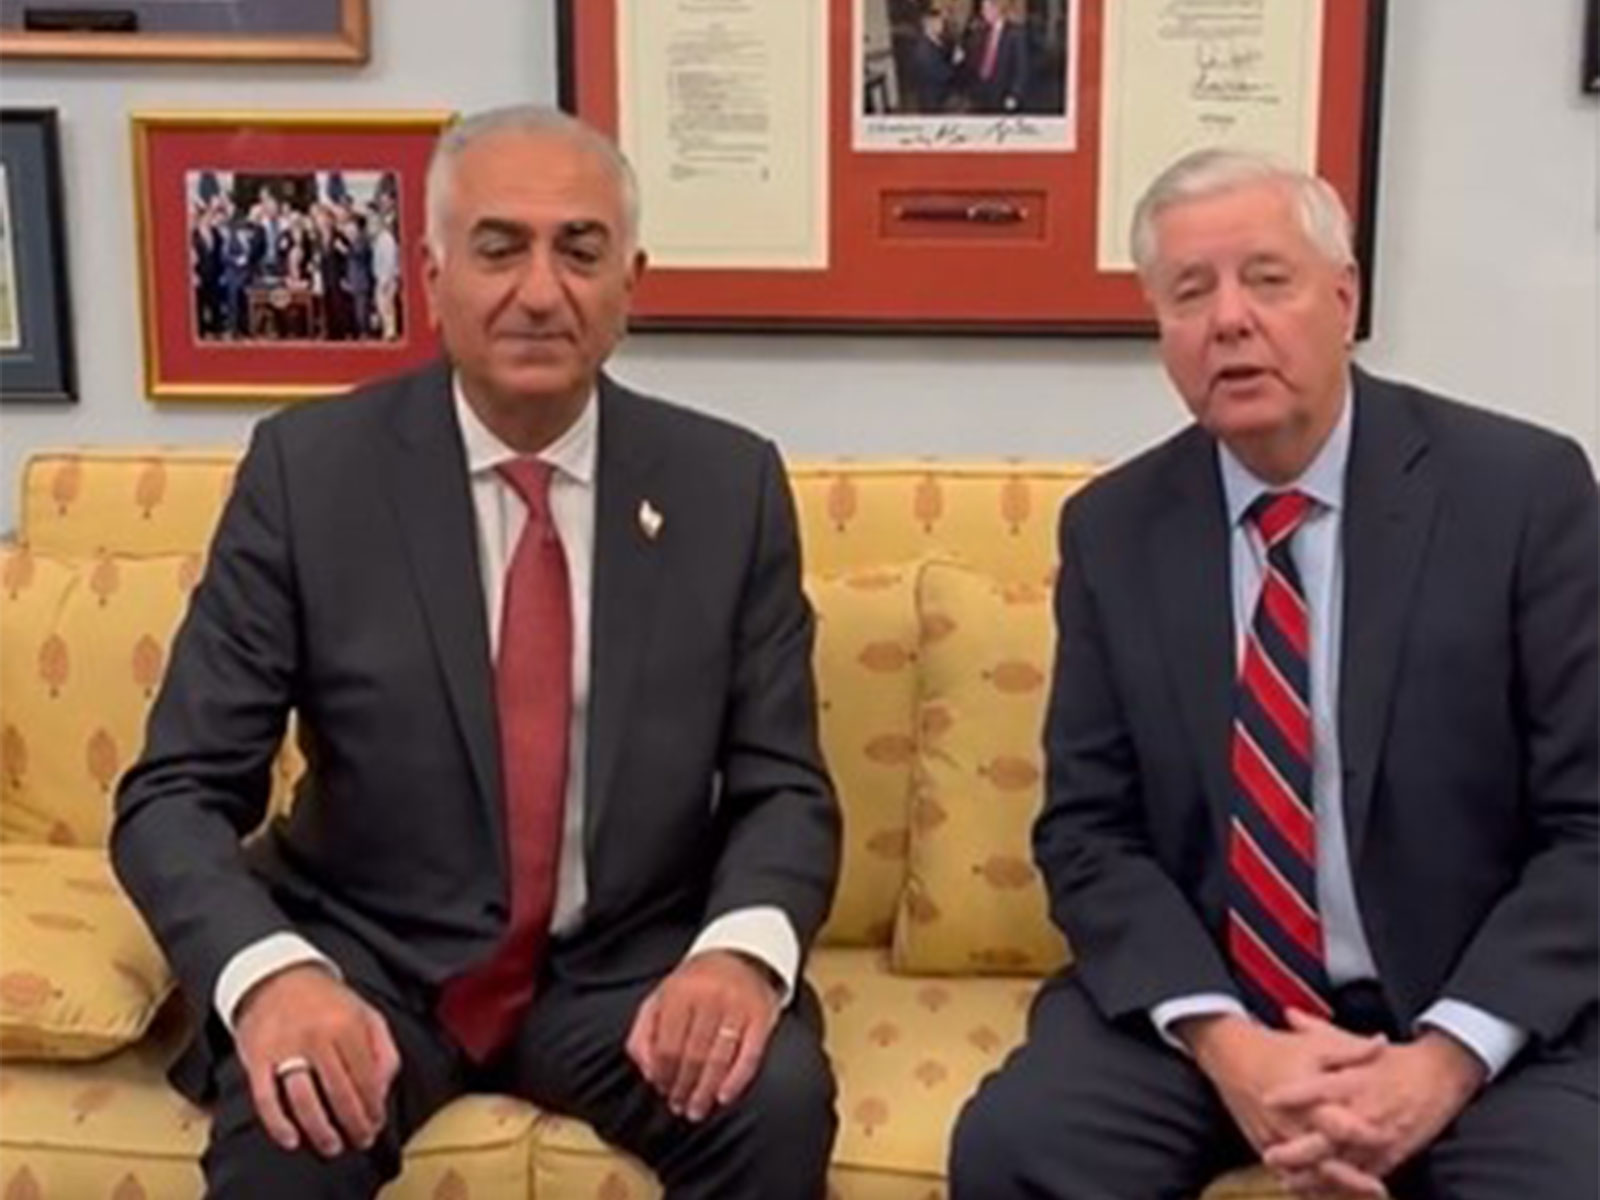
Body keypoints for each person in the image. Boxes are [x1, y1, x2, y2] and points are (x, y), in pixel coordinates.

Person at [111, 104, 841, 1200]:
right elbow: (173, 792)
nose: (540, 291)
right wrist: (270, 980)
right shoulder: (310, 475)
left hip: (629, 963)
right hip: (366, 958)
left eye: (580, 251)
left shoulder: (726, 487)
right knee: (289, 1134)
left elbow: (784, 787)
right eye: (500, 248)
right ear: (431, 272)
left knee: (775, 1100)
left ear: (629, 282)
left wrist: (736, 954)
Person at [949, 147, 1598, 1199]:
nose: (1228, 321)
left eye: (1267, 278)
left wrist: (1441, 1060)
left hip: (1473, 1007)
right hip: (1217, 1009)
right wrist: (1227, 1046)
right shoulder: (1115, 531)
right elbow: (1088, 834)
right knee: (1020, 1150)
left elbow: (1589, 826)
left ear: (1342, 299)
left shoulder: (1521, 494)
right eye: (1188, 293)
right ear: (1158, 329)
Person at [964, 0, 1028, 114]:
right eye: (982, 10)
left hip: (1003, 94)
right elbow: (977, 60)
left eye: (985, 9)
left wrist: (1014, 95)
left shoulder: (1015, 33)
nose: (983, 13)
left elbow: (1022, 69)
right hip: (981, 94)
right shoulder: (982, 31)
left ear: (996, 9)